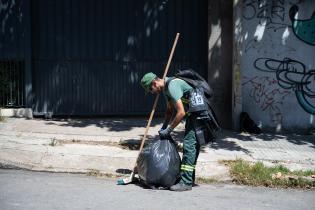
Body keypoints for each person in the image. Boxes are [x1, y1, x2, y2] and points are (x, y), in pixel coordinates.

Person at [140, 72, 200, 191]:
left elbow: (181, 112)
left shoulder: (172, 86)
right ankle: (188, 178)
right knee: (192, 146)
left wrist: (169, 129)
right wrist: (164, 126)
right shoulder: (166, 90)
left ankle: (186, 183)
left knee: (189, 145)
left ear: (154, 83)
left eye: (150, 90)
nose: (152, 93)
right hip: (193, 114)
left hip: (198, 114)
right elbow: (169, 111)